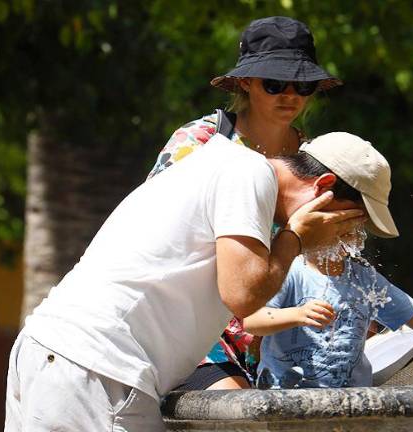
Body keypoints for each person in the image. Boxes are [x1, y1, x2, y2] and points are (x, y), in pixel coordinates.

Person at [5, 131, 379, 431]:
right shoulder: (248, 173)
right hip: (96, 369)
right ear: (323, 186)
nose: (347, 238)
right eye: (352, 222)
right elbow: (243, 296)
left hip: (61, 356)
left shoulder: (222, 164)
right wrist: (295, 239)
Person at [147, 16, 342, 391]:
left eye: (302, 85)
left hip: (268, 337)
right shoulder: (201, 142)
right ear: (246, 82)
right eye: (274, 83)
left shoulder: (308, 156)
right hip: (192, 328)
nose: (290, 95)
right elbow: (153, 232)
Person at [246, 134, 413, 388]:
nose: (352, 230)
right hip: (283, 403)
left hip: (350, 406)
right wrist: (296, 315)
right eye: (343, 221)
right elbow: (252, 320)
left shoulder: (362, 279)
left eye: (359, 224)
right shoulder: (290, 269)